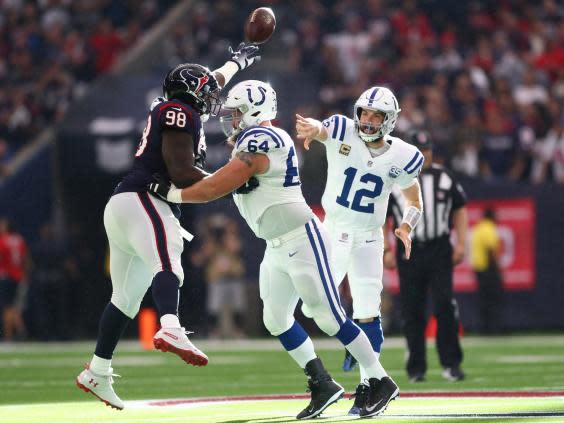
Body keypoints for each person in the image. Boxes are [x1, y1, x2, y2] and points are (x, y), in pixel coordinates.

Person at [149, 80, 399, 419]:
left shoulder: (265, 139)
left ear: (256, 111)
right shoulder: (248, 143)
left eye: (237, 113)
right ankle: (322, 383)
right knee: (276, 318)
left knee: (328, 317)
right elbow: (220, 180)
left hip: (302, 238)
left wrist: (174, 193)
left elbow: (215, 187)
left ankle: (379, 378)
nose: (232, 119)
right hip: (276, 245)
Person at [75, 43, 261, 410]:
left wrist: (239, 60)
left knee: (125, 300)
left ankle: (97, 369)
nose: (213, 96)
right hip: (145, 198)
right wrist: (231, 182)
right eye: (206, 91)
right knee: (168, 258)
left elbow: (215, 78)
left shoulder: (181, 106)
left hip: (125, 205)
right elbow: (181, 172)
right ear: (192, 93)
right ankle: (171, 325)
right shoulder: (179, 110)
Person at [295, 86, 423, 415]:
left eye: (375, 115)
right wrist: (312, 127)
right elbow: (322, 128)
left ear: (388, 120)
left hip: (369, 237)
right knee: (315, 307)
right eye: (364, 113)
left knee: (367, 308)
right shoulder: (342, 129)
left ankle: (370, 385)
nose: (367, 120)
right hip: (333, 233)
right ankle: (358, 367)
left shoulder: (403, 155)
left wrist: (406, 227)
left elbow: (414, 202)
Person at [387, 130, 468, 382]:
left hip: (439, 248)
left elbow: (460, 209)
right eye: (419, 150)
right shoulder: (395, 180)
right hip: (409, 250)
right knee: (412, 310)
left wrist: (462, 243)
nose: (425, 155)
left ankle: (451, 363)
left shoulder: (445, 178)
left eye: (427, 149)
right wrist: (385, 249)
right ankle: (416, 368)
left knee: (445, 304)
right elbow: (383, 217)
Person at [471, 208, 503, 334]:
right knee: (493, 300)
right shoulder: (489, 228)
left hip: (479, 269)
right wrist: (497, 269)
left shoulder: (478, 228)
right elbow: (491, 250)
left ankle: (484, 328)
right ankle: (493, 328)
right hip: (488, 269)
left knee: (484, 300)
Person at [0, 218, 28, 341]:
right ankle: (20, 328)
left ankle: (9, 335)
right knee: (14, 306)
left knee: (7, 307)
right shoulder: (19, 239)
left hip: (6, 276)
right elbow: (26, 259)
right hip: (18, 276)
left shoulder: (2, 241)